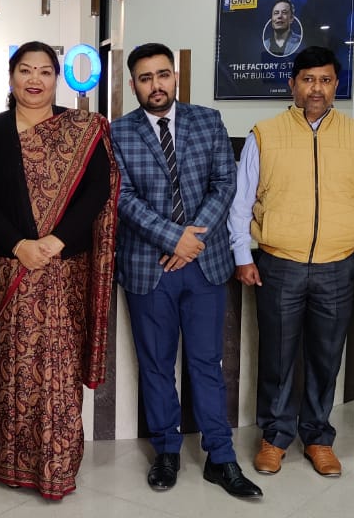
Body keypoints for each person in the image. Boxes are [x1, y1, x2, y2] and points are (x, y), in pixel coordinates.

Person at [0, 41, 118, 500]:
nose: (35, 80)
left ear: (57, 78)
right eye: (25, 70)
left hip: (65, 266)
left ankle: (59, 464)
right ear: (11, 77)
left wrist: (56, 240)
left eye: (45, 71)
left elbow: (97, 190)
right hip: (7, 266)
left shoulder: (81, 130)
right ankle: (9, 461)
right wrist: (19, 245)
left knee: (60, 368)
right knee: (11, 365)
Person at [229, 45, 354, 478]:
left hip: (338, 266)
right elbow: (241, 204)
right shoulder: (265, 134)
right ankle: (275, 436)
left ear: (336, 85)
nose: (316, 88)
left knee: (326, 357)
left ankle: (318, 437)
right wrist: (242, 254)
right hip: (279, 264)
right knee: (277, 358)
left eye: (325, 80)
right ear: (293, 84)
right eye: (307, 79)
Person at [111, 43, 261, 499]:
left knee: (207, 364)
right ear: (133, 84)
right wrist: (172, 238)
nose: (155, 85)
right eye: (145, 78)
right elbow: (122, 196)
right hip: (149, 267)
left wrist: (192, 239)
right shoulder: (118, 132)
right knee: (156, 365)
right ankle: (166, 451)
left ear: (175, 76)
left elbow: (225, 182)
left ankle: (221, 457)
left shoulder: (207, 121)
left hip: (204, 265)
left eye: (162, 75)